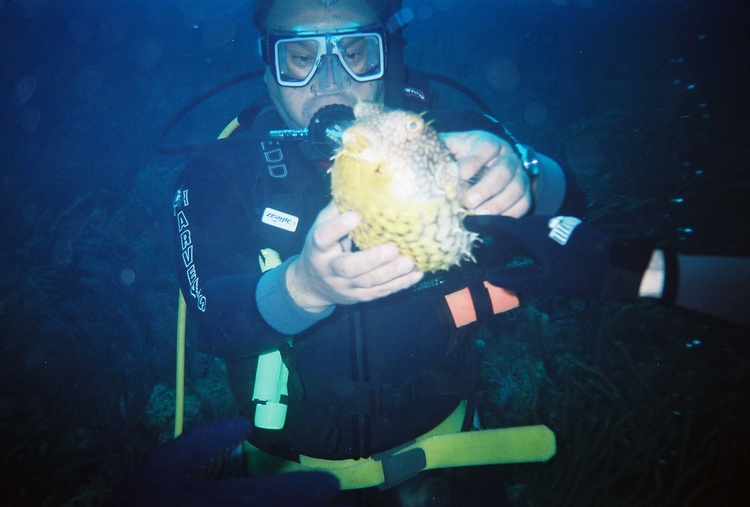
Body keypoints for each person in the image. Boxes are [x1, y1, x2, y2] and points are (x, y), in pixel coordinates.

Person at [171, 0, 749, 501]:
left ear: (387, 53)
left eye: (355, 51)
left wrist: (525, 172)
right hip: (280, 480)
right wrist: (306, 287)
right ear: (267, 67)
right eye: (299, 57)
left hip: (449, 463)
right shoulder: (218, 173)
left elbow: (569, 198)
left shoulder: (442, 135)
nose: (331, 82)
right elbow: (217, 321)